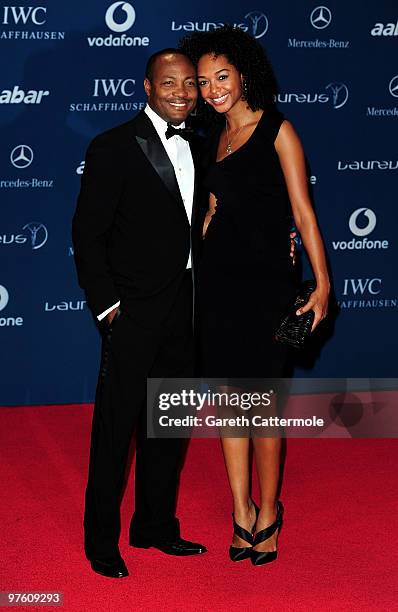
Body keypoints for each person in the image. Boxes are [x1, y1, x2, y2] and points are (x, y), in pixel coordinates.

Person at [179, 26, 330, 566]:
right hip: (218, 284)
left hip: (267, 286)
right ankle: (239, 511)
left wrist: (323, 284)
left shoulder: (278, 130)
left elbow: (303, 212)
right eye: (204, 80)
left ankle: (269, 511)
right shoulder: (212, 137)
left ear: (245, 73)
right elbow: (214, 209)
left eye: (223, 75)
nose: (214, 87)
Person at [72, 49, 207, 579]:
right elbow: (87, 236)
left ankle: (154, 526)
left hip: (187, 308)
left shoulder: (202, 146)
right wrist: (108, 308)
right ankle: (100, 540)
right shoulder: (112, 147)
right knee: (116, 429)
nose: (181, 93)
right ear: (148, 88)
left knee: (168, 427)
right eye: (169, 83)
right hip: (132, 312)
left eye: (190, 84)